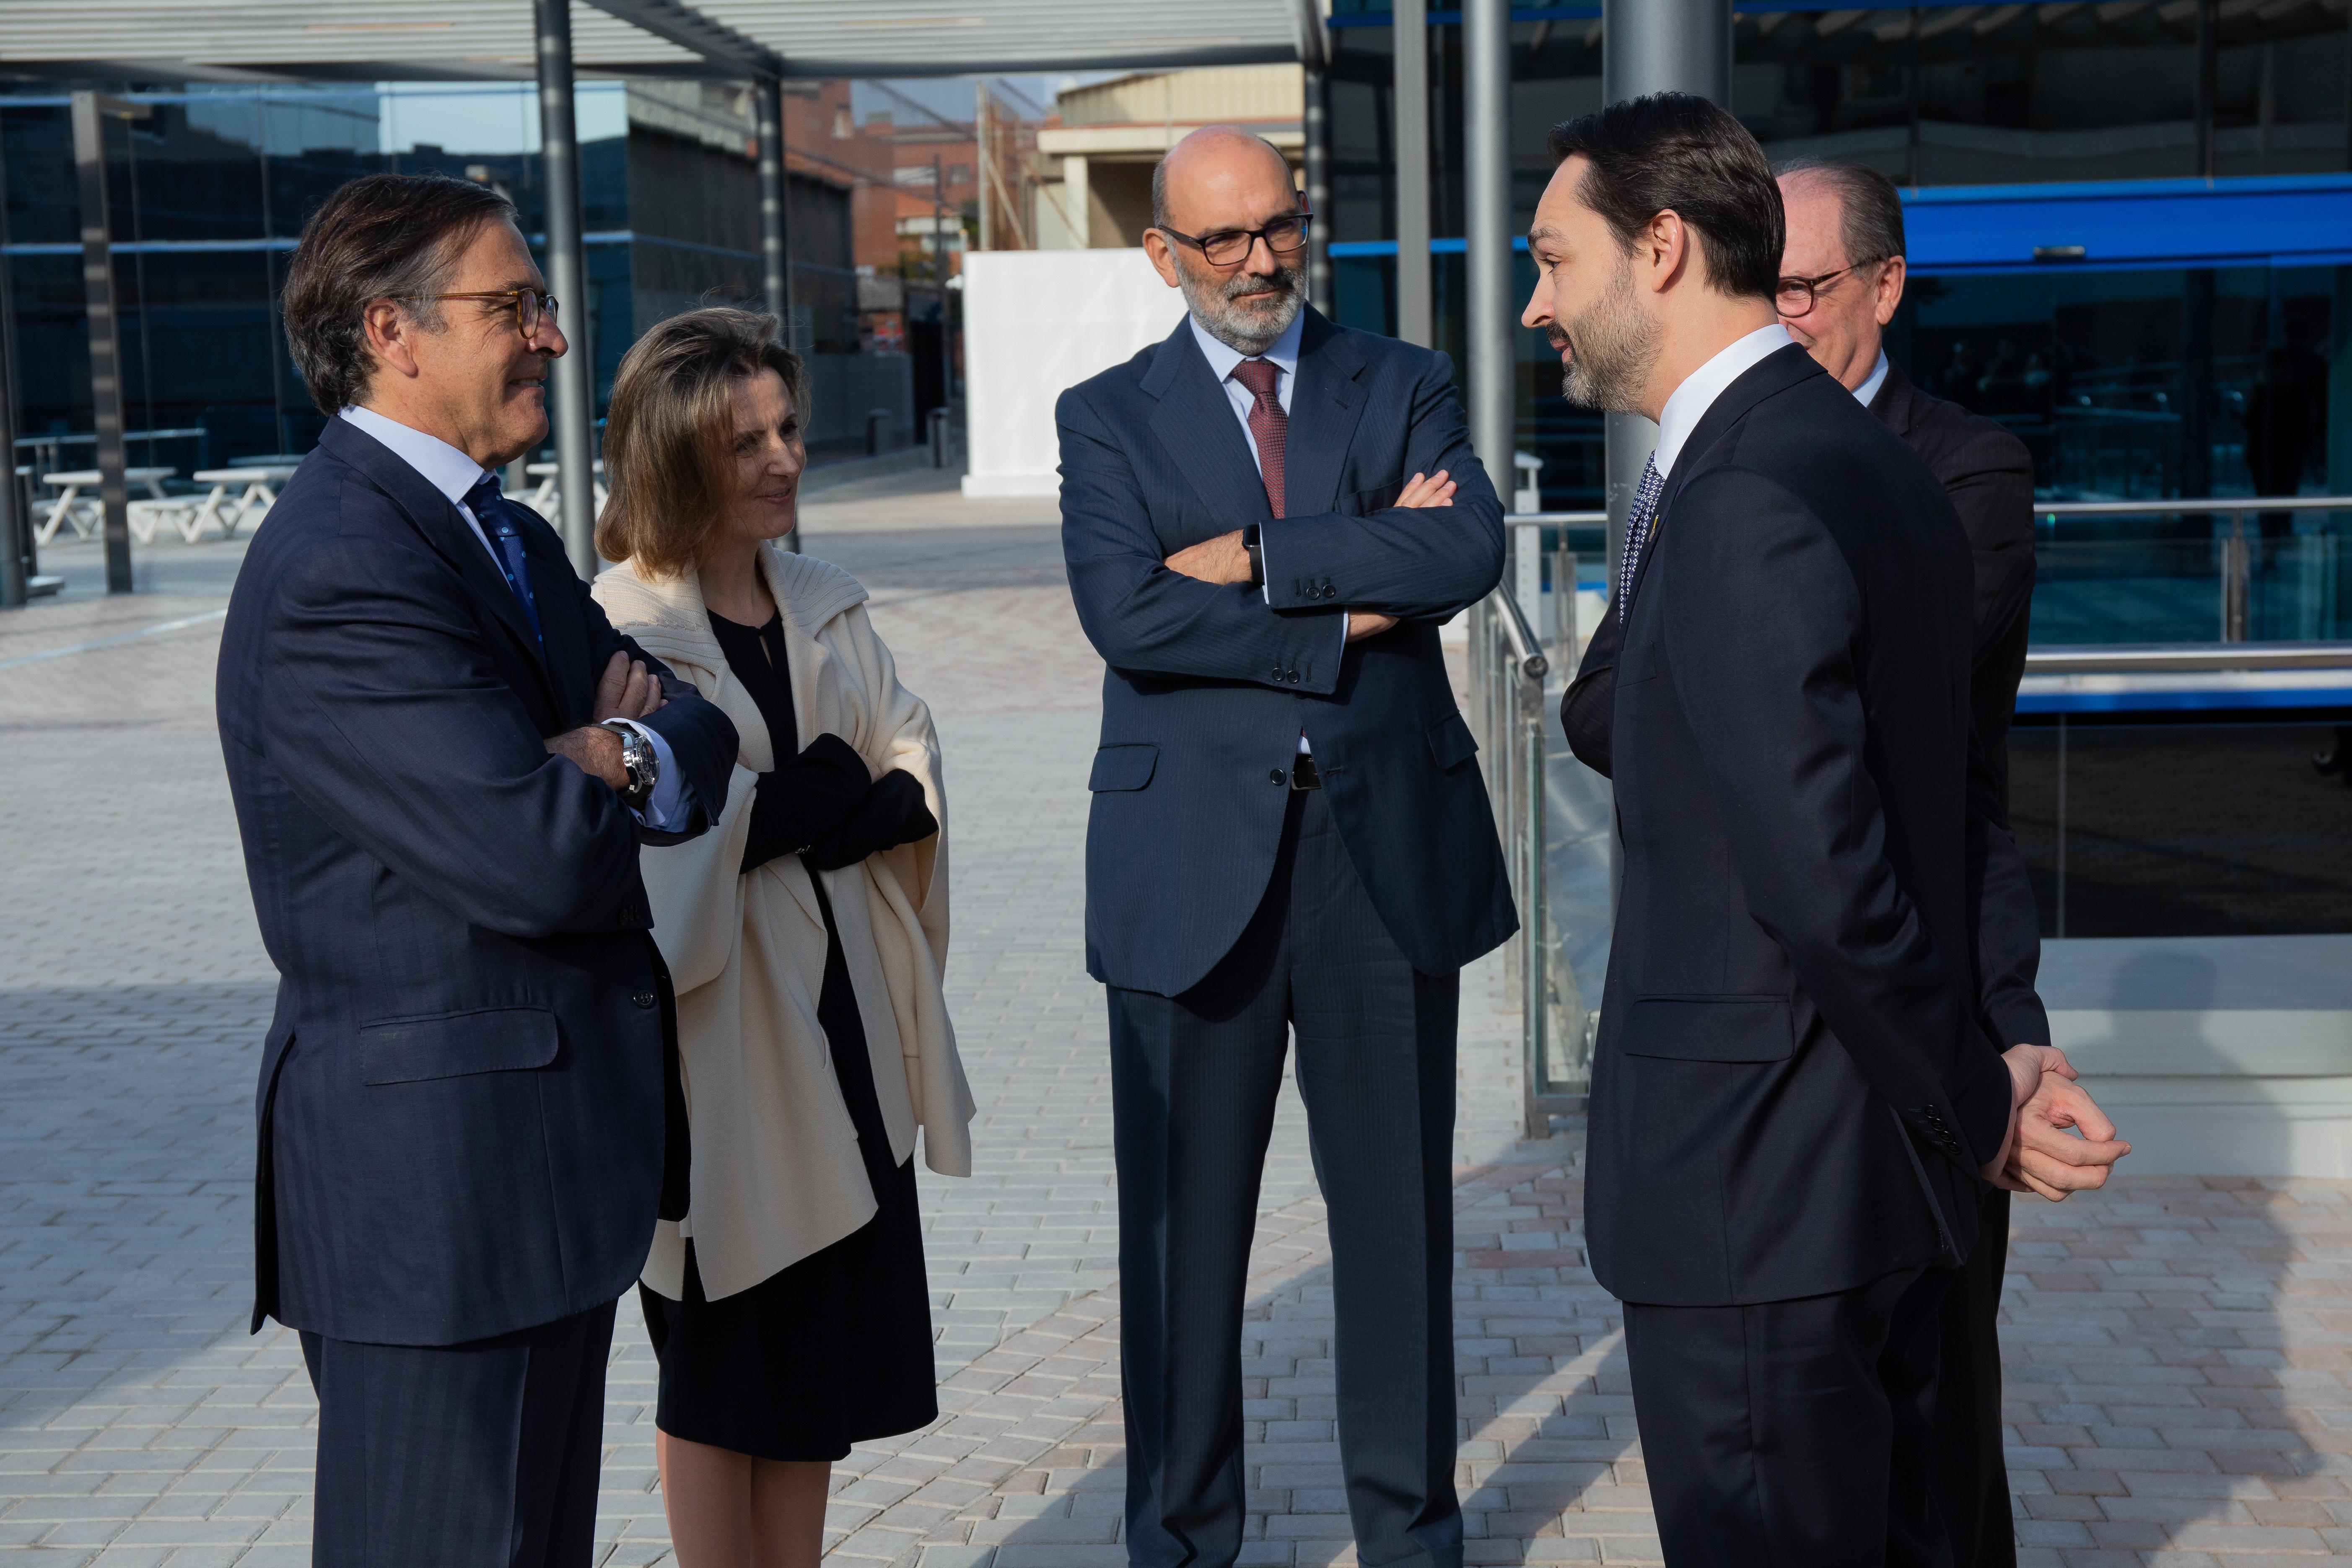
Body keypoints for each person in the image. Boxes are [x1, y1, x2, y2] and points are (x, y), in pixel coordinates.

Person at [1519, 95, 2129, 1564]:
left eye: (1552, 257)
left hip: (1758, 1195)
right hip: (1850, 1185)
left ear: (1659, 248)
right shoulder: (1854, 464)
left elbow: (1830, 872)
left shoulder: (1742, 493)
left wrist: (1974, 1100)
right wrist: (1972, 1074)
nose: (1536, 303)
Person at [217, 172, 739, 1566]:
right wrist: (617, 760)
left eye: (541, 304)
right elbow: (535, 860)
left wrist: (610, 747)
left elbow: (702, 732)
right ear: (391, 331)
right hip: (439, 1206)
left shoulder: (496, 531)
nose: (552, 339)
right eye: (511, 307)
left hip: (539, 1181)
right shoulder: (343, 567)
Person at [1056, 124, 1510, 1568]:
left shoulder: (1402, 379)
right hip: (1190, 864)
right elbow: (1128, 620)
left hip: (1382, 856)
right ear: (1160, 253)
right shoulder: (1106, 416)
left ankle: (1411, 1538)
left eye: (1280, 227)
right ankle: (1184, 1545)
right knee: (1185, 1247)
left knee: (1396, 1234)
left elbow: (1464, 554)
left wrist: (1257, 562)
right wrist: (1358, 578)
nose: (1260, 262)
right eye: (1224, 240)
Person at [588, 307, 972, 1567]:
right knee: (717, 1361)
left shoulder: (824, 600)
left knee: (813, 1372)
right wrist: (804, 803)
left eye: (787, 429)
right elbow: (641, 837)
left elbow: (904, 755)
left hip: (843, 1017)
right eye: (741, 441)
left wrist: (811, 807)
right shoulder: (619, 627)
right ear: (671, 456)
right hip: (716, 1046)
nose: (780, 459)